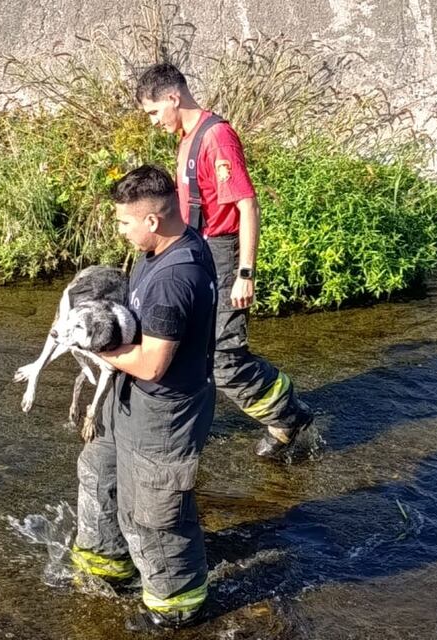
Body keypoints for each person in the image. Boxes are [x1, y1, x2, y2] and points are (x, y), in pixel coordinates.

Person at [135, 62, 315, 458]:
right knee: (186, 347)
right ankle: (188, 428)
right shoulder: (187, 139)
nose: (153, 122)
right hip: (196, 251)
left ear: (172, 97)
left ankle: (288, 414)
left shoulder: (217, 138)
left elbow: (247, 205)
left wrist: (244, 274)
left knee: (226, 359)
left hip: (223, 254)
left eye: (153, 112)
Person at [70, 165, 218, 629]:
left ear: (152, 221)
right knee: (99, 470)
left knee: (153, 513)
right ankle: (106, 564)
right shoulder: (168, 245)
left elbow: (153, 363)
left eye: (124, 223)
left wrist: (95, 343)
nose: (121, 232)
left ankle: (177, 606)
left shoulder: (175, 279)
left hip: (164, 411)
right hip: (129, 397)